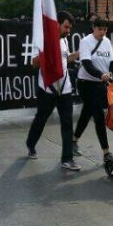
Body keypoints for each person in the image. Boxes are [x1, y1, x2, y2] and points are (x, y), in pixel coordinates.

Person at [25, 11, 82, 171]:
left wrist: (77, 54)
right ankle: (31, 143)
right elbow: (34, 63)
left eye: (69, 28)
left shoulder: (64, 41)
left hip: (65, 88)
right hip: (47, 89)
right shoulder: (43, 39)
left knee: (67, 122)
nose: (68, 31)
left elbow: (65, 59)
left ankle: (67, 158)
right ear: (56, 24)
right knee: (41, 119)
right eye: (65, 27)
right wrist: (48, 50)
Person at [72, 18, 113, 164]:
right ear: (93, 28)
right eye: (99, 29)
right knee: (98, 116)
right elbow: (86, 63)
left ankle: (73, 140)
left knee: (87, 112)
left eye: (104, 29)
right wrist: (100, 74)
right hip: (86, 83)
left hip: (100, 84)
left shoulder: (107, 42)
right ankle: (106, 152)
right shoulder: (86, 41)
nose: (102, 32)